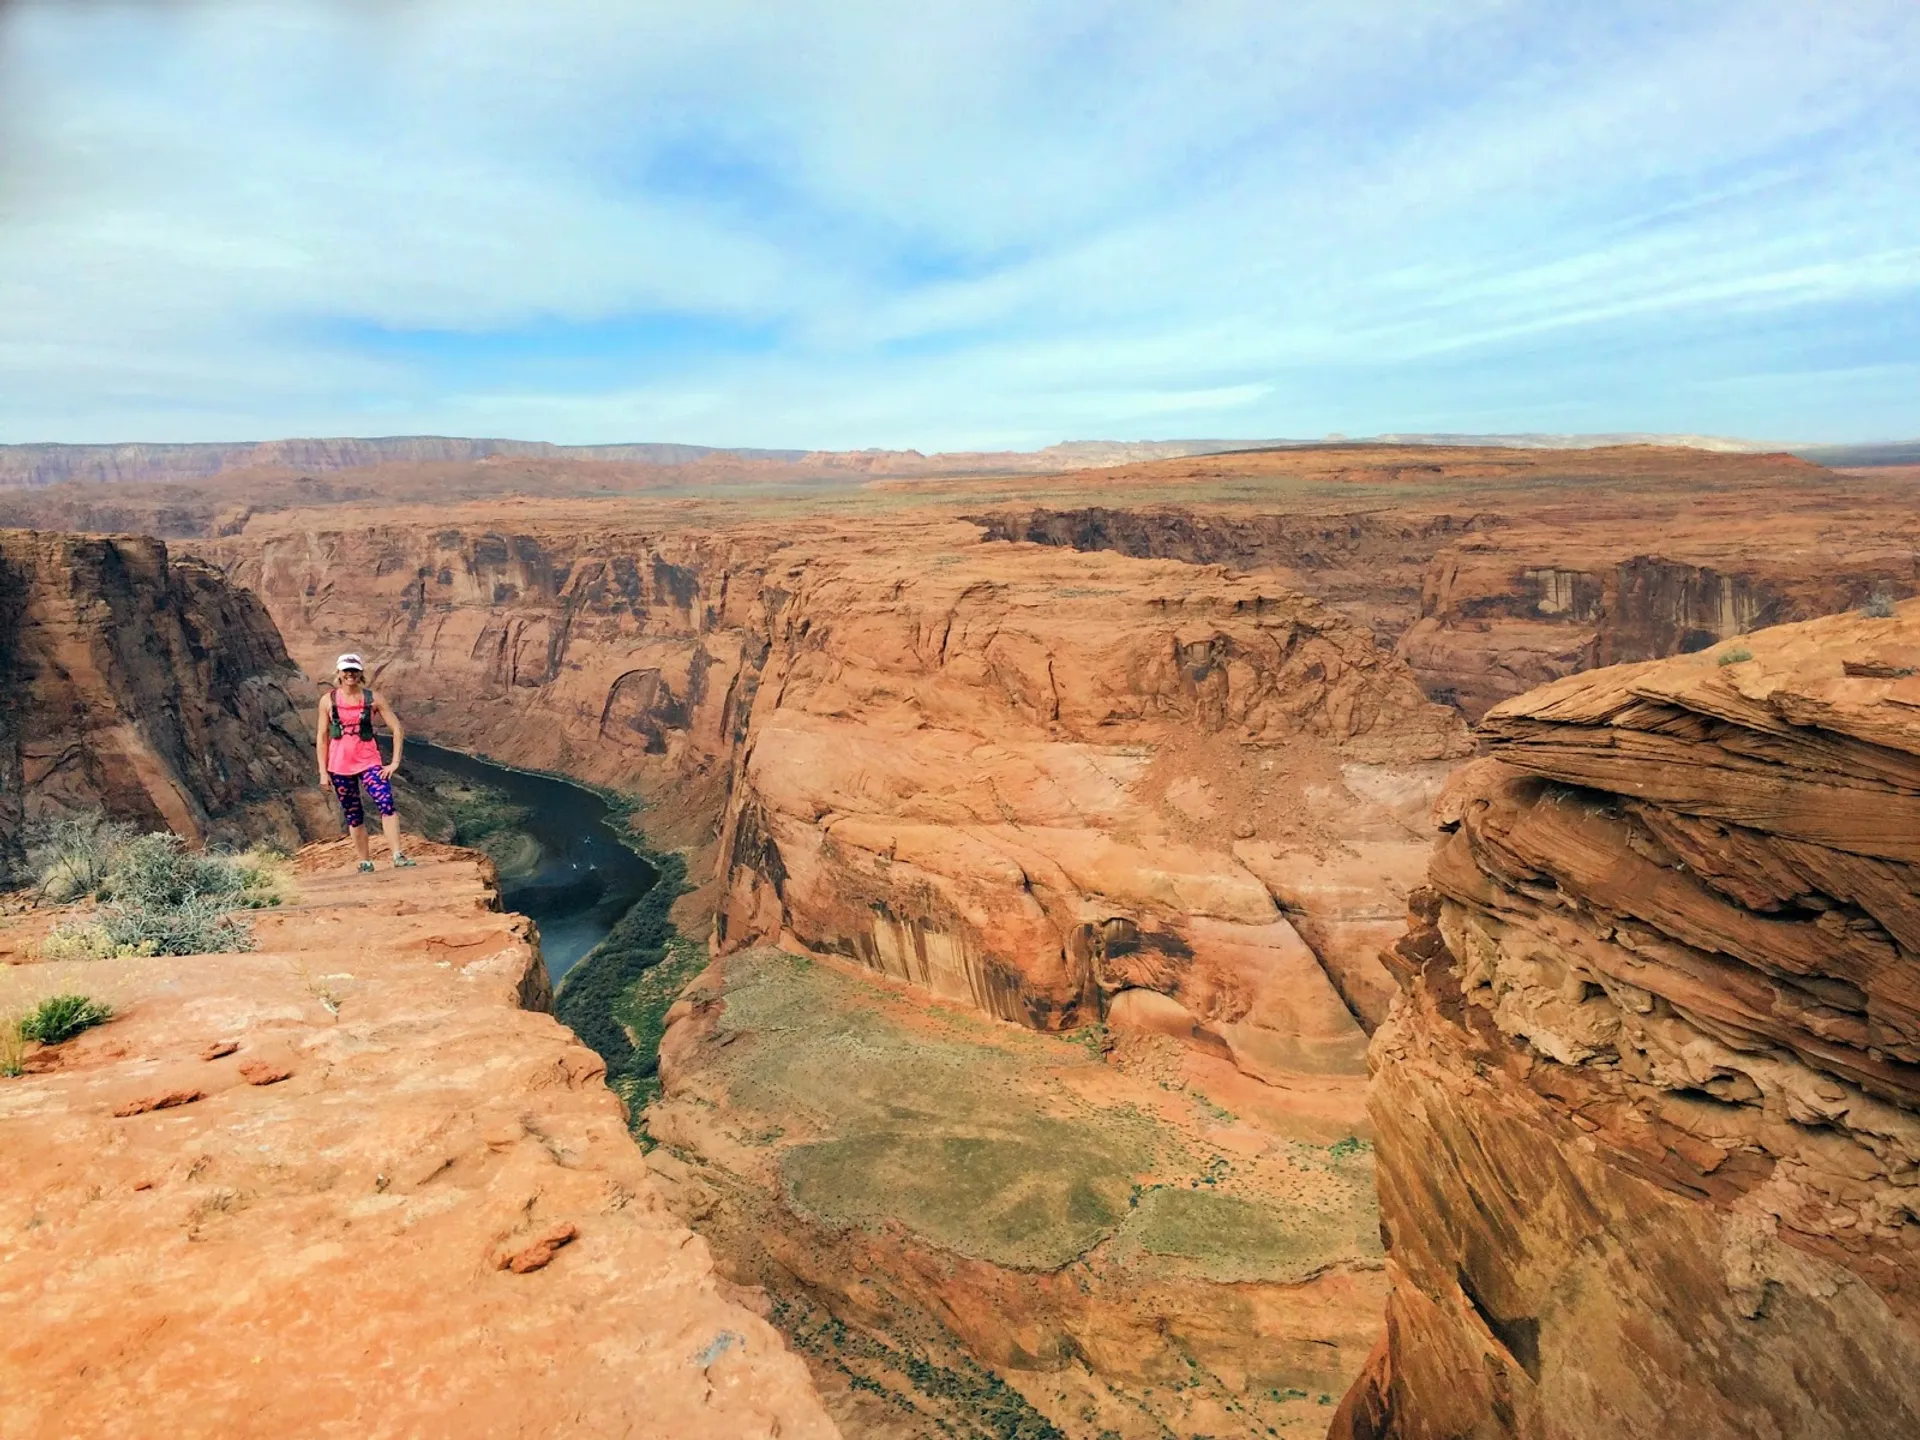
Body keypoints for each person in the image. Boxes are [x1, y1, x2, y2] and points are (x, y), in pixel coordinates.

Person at [315, 652, 414, 873]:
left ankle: (397, 855)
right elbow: (322, 737)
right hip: (339, 766)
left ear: (361, 673)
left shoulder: (373, 698)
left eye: (354, 670)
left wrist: (394, 762)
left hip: (369, 762)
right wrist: (323, 772)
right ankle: (365, 861)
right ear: (339, 673)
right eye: (346, 670)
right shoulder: (328, 701)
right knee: (353, 813)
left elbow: (396, 728)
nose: (350, 674)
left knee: (385, 802)